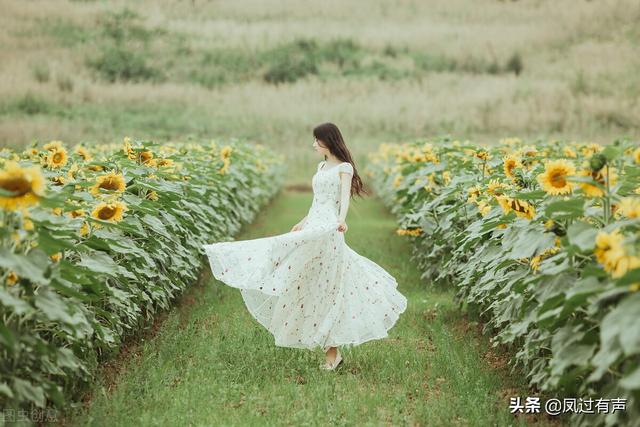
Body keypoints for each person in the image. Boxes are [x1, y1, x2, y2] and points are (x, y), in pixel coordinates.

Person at [203, 122, 407, 371]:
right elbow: (317, 202)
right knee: (307, 280)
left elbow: (342, 199)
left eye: (316, 140)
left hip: (329, 228)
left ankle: (332, 354)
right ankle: (330, 349)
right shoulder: (321, 166)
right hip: (314, 225)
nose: (313, 145)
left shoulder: (345, 168)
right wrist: (303, 221)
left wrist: (341, 220)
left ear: (327, 141)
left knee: (330, 285)